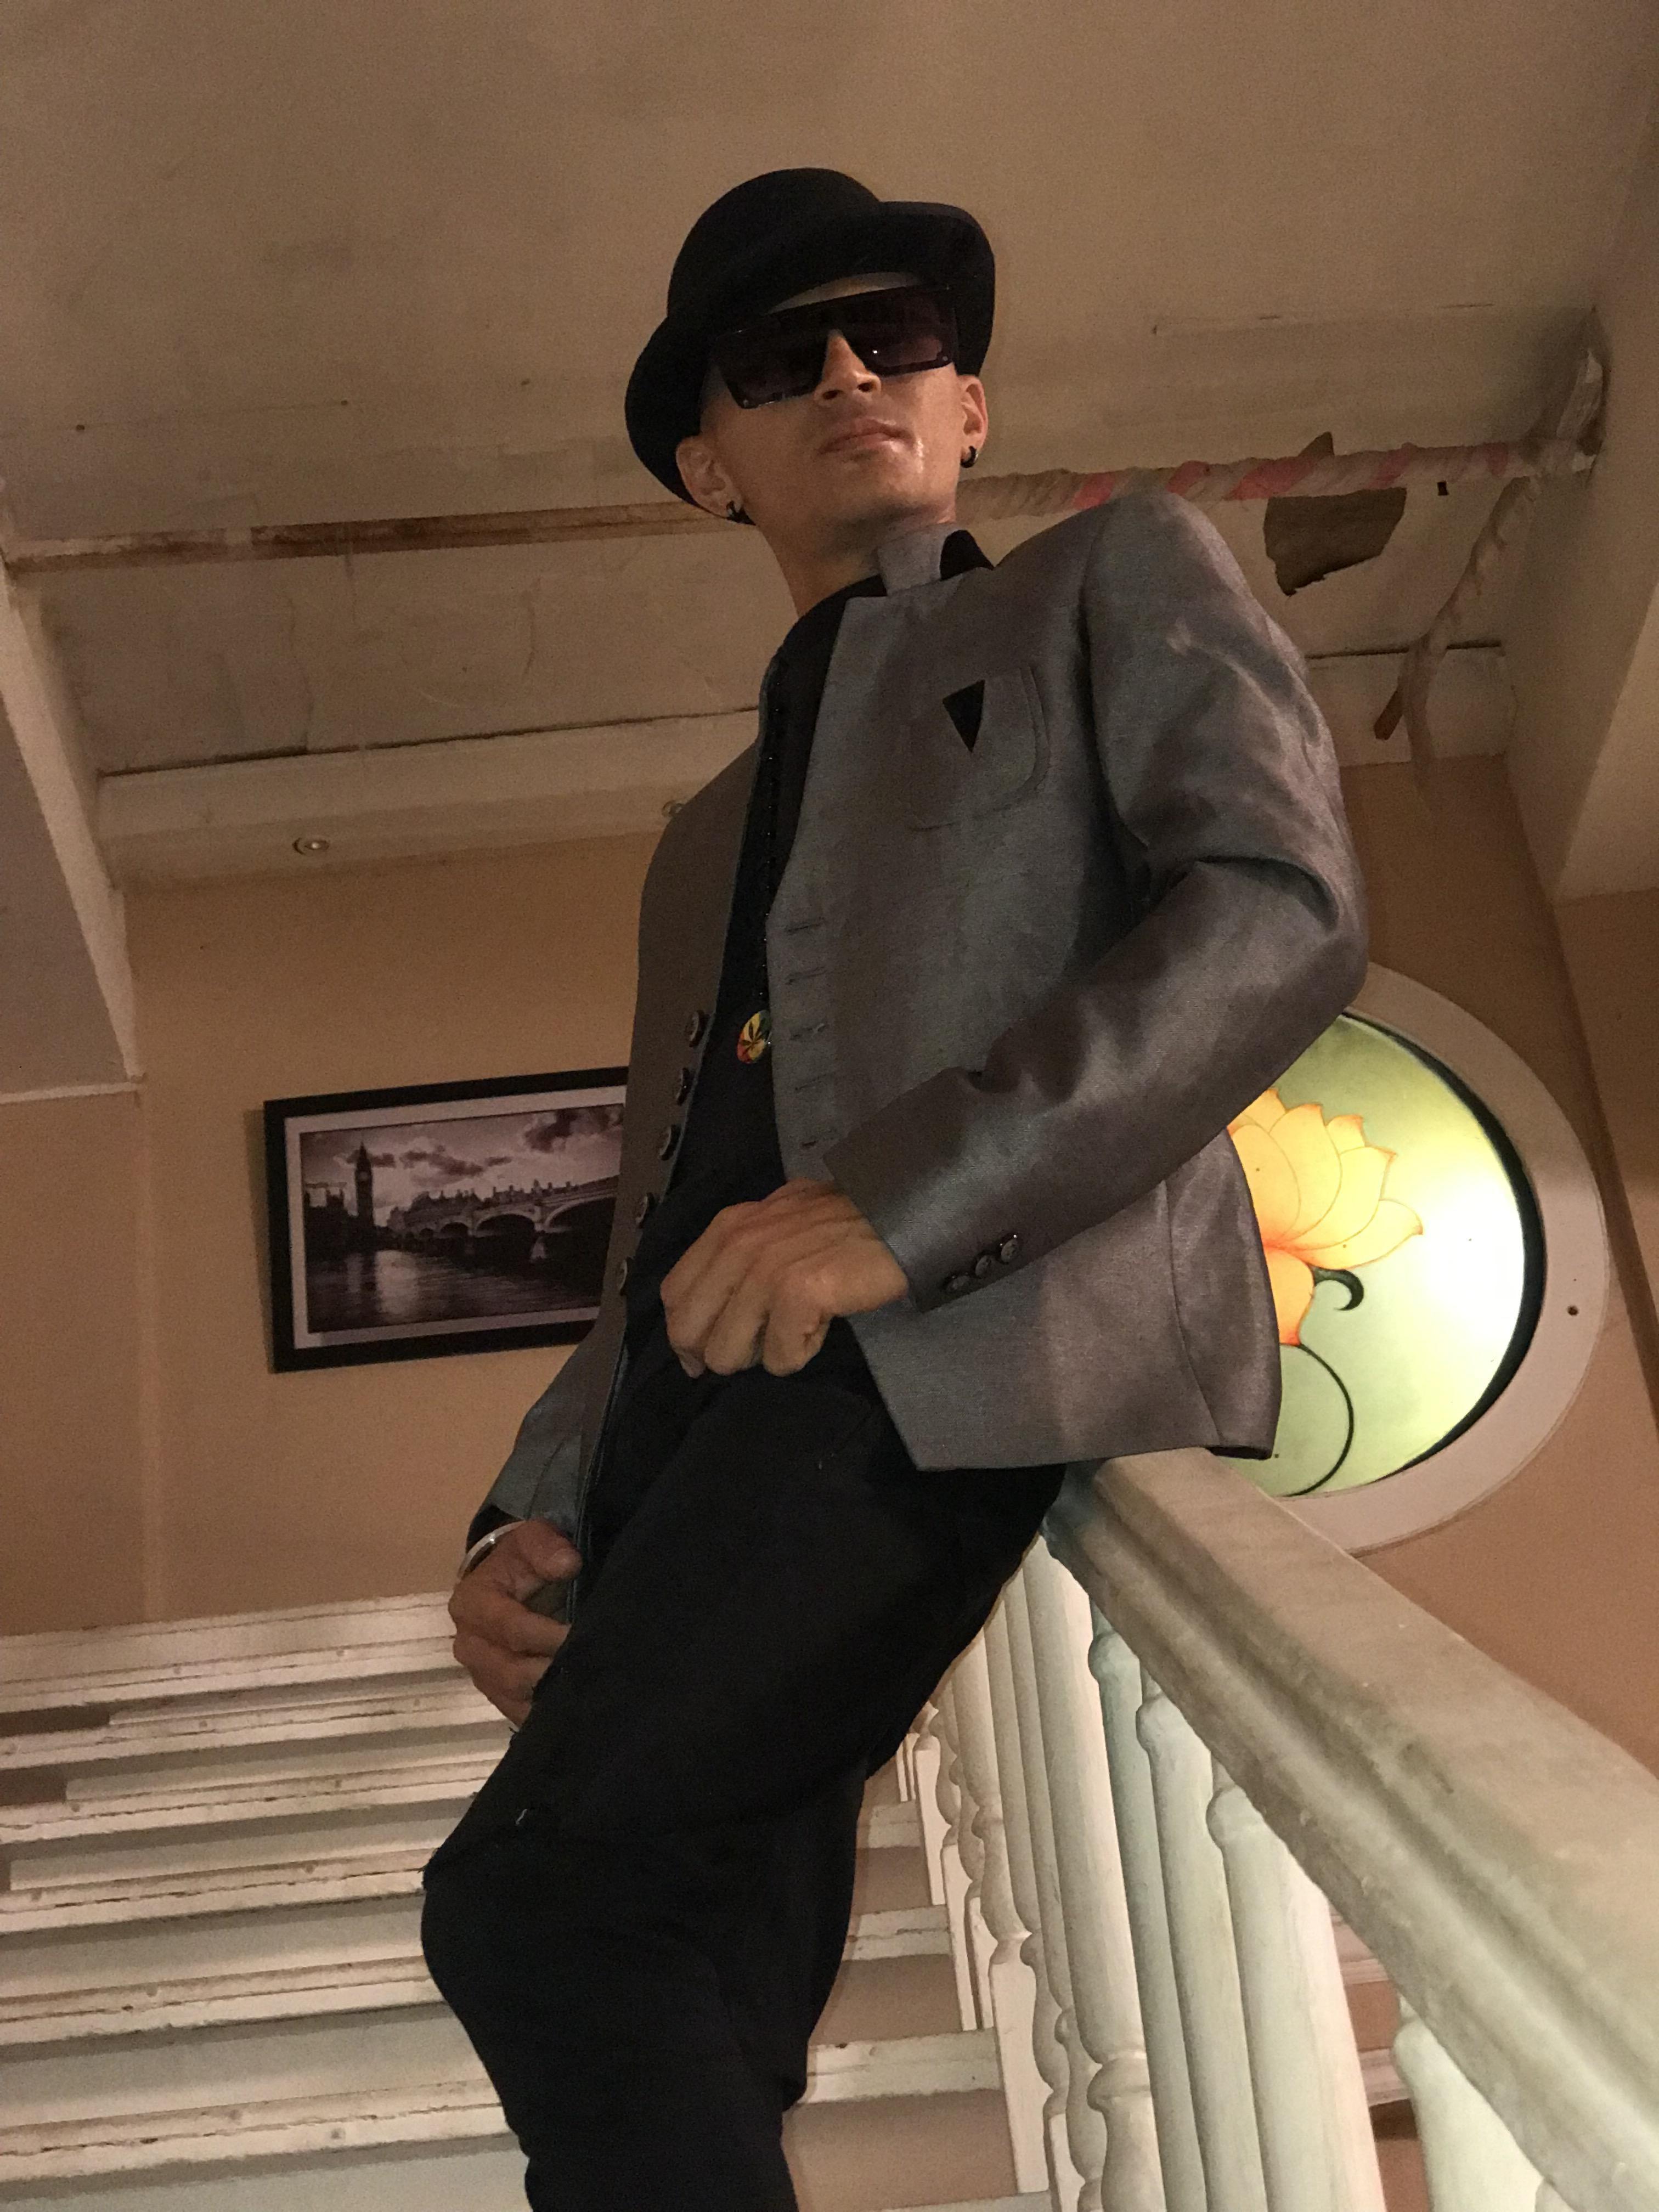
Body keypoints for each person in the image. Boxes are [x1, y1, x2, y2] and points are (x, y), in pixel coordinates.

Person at [419, 167, 1367, 2210]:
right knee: (698, 1999)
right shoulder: (697, 839)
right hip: (691, 1422)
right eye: (785, 359)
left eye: (901, 337)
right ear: (710, 463)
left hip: (935, 1352)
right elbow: (665, 1202)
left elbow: (1276, 909)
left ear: (968, 406)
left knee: (537, 1907)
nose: (853, 371)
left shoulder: (1111, 577)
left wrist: (906, 1204)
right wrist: (529, 1506)